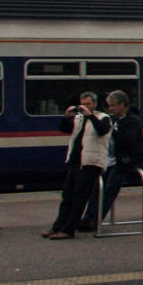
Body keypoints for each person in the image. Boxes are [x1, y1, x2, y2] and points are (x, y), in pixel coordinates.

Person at [44, 92, 110, 239]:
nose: (85, 107)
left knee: (79, 198)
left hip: (90, 163)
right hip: (75, 162)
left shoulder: (104, 118)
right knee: (67, 196)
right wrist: (66, 117)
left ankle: (68, 230)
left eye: (88, 104)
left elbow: (102, 130)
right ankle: (57, 227)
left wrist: (90, 116)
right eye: (83, 104)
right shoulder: (78, 119)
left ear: (94, 104)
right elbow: (65, 129)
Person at [86, 89, 143, 227]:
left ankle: (95, 220)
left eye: (113, 105)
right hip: (110, 158)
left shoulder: (133, 121)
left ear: (122, 105)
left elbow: (128, 140)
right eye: (110, 106)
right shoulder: (112, 119)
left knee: (110, 189)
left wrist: (112, 131)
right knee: (97, 188)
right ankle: (87, 217)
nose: (111, 109)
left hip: (125, 159)